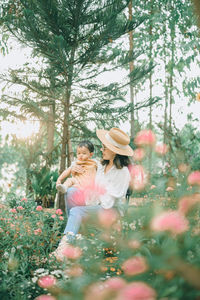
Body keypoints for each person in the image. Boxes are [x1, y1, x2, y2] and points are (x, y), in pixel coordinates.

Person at [51, 127, 134, 261]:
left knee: (77, 211)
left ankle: (65, 248)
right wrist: (75, 168)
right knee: (71, 191)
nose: (102, 150)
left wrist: (93, 191)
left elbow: (110, 201)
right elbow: (87, 166)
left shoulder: (123, 172)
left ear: (114, 151)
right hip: (96, 205)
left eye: (105, 148)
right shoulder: (101, 166)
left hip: (110, 210)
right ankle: (75, 233)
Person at [56, 140, 97, 207]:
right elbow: (67, 171)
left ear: (91, 154)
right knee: (70, 180)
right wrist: (59, 179)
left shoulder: (94, 163)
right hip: (77, 184)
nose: (80, 155)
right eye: (78, 153)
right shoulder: (76, 163)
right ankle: (64, 187)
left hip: (88, 186)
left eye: (84, 153)